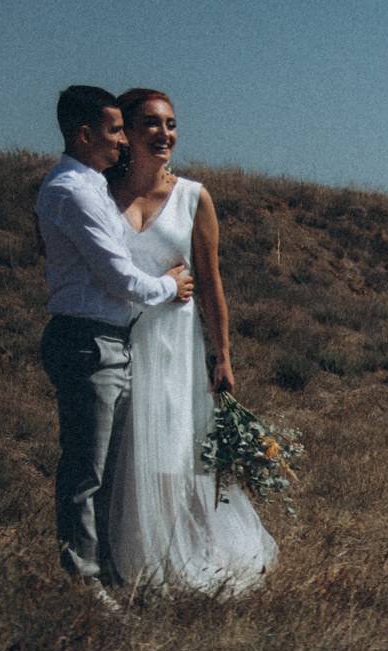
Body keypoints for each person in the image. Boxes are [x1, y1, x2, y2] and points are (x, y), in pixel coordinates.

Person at [102, 87, 275, 592]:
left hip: (173, 346)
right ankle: (121, 561)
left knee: (172, 457)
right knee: (119, 456)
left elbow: (211, 279)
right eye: (152, 124)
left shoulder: (193, 196)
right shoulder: (98, 194)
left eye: (171, 124)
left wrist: (222, 355)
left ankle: (179, 558)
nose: (165, 134)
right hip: (116, 336)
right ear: (125, 131)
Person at [34, 85, 193, 600]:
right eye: (115, 130)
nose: (125, 139)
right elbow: (120, 279)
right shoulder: (73, 192)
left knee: (105, 471)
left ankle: (102, 574)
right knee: (85, 473)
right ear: (84, 134)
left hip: (109, 342)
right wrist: (171, 287)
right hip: (88, 342)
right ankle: (82, 587)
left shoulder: (93, 185)